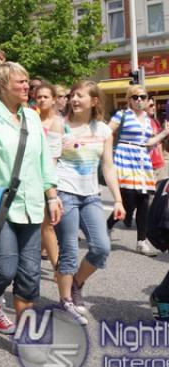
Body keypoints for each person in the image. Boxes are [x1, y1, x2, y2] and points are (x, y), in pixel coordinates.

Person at [0, 62, 61, 348]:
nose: (27, 86)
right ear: (2, 85)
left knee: (30, 276)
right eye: (20, 81)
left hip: (32, 204)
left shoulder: (32, 117)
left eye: (27, 81)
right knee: (4, 268)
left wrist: (52, 196)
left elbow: (44, 161)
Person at [53, 80, 125, 325]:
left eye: (80, 96)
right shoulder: (60, 125)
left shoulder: (103, 130)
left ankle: (76, 283)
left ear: (94, 101)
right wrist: (51, 196)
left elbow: (108, 166)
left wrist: (118, 199)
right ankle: (65, 301)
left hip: (91, 195)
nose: (74, 99)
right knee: (69, 249)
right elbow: (51, 162)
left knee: (101, 247)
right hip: (64, 192)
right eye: (72, 95)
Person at [106, 85, 169, 256]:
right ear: (129, 100)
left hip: (142, 160)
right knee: (128, 201)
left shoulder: (148, 119)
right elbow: (106, 132)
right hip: (125, 158)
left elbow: (148, 143)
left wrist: (164, 133)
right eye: (135, 97)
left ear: (147, 99)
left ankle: (141, 241)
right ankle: (107, 227)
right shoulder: (122, 115)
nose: (139, 100)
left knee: (143, 200)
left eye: (142, 97)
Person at [36, 82, 64, 270]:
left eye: (46, 97)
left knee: (47, 225)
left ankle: (57, 269)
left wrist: (48, 186)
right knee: (40, 225)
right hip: (30, 175)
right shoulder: (32, 119)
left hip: (47, 177)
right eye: (39, 97)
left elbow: (53, 157)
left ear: (54, 99)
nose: (42, 100)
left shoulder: (57, 122)